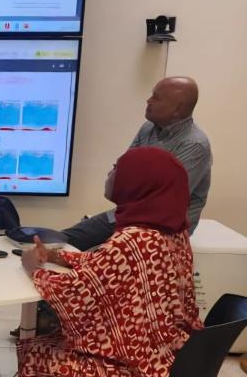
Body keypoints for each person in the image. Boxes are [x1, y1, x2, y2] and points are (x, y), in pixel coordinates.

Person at [16, 147, 202, 377]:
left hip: (137, 376)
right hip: (173, 363)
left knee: (36, 352)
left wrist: (33, 268)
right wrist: (57, 257)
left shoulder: (132, 240)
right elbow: (104, 265)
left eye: (117, 168)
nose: (111, 173)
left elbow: (77, 293)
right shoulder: (171, 233)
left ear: (137, 182)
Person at [63, 76, 212, 251]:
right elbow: (123, 175)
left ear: (177, 109)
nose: (148, 101)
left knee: (91, 260)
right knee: (62, 240)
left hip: (161, 230)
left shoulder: (194, 145)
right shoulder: (148, 128)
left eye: (156, 97)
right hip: (129, 215)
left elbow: (165, 200)